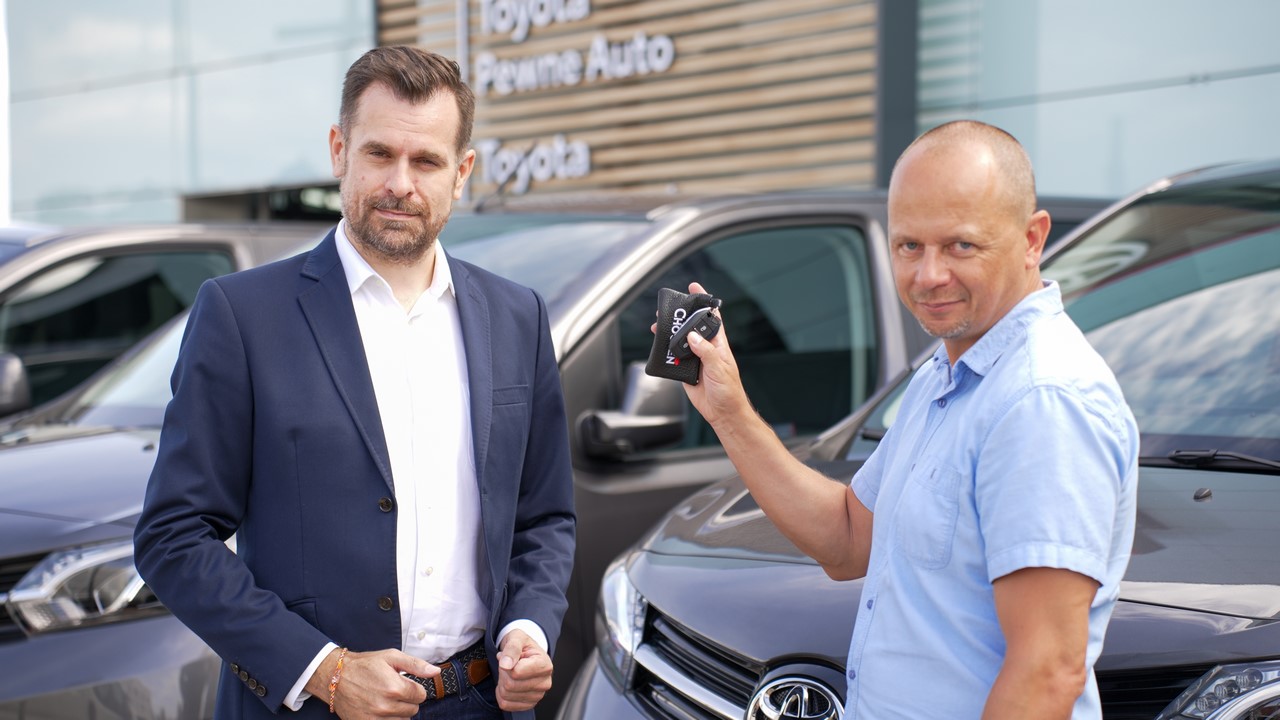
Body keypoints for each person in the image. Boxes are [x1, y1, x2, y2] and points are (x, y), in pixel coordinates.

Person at [133, 46, 575, 720]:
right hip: (313, 708)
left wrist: (528, 628)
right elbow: (174, 534)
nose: (401, 183)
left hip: (483, 702)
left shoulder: (518, 315)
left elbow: (544, 518)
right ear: (340, 151)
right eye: (379, 154)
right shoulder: (243, 315)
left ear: (461, 173)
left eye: (426, 161)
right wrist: (325, 671)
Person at [674, 121, 1137, 718]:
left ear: (1031, 239)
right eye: (909, 246)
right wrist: (729, 411)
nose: (928, 276)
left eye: (960, 246)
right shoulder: (946, 374)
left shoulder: (1042, 400)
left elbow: (1047, 671)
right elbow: (848, 540)